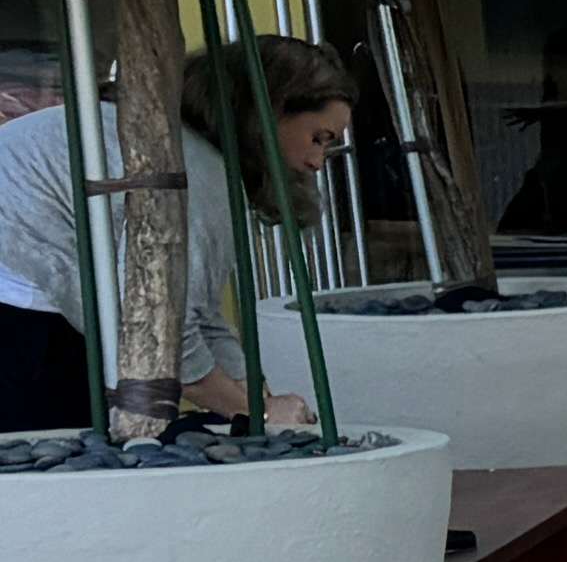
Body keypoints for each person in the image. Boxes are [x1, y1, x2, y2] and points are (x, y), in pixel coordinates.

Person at [0, 36, 361, 435]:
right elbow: (162, 334)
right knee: (56, 474)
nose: (316, 163)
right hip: (21, 319)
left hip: (28, 303)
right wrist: (258, 414)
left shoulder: (177, 147)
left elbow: (197, 312)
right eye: (319, 138)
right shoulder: (191, 173)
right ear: (269, 113)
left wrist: (257, 398)